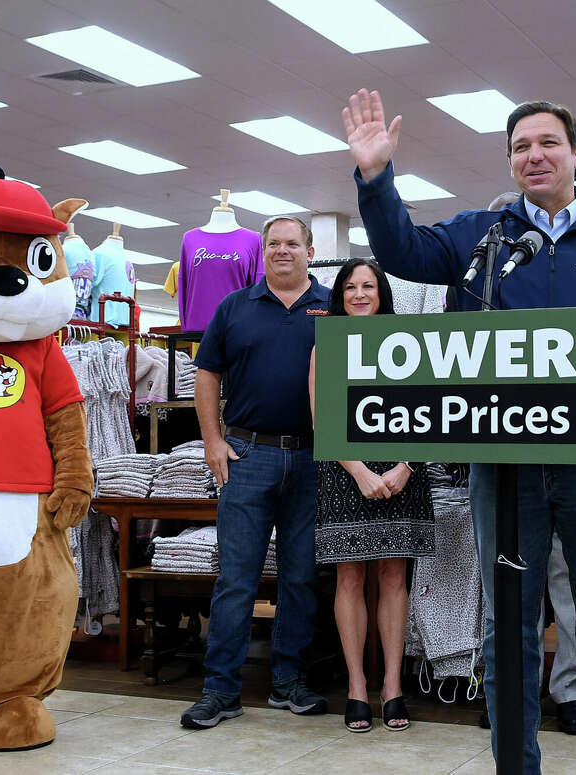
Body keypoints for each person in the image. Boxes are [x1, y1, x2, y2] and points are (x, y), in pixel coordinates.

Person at [343, 88, 576, 775]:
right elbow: (403, 251)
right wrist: (376, 177)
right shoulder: (484, 234)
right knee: (509, 625)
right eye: (519, 147)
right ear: (509, 163)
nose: (533, 156)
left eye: (547, 143)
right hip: (503, 455)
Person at [180, 215, 330, 730]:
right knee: (236, 578)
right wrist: (212, 441)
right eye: (274, 244)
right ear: (262, 251)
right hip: (247, 455)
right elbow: (206, 373)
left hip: (315, 459)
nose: (282, 251)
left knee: (301, 578)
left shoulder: (333, 307)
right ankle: (220, 690)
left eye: (293, 243)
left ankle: (289, 682)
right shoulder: (235, 307)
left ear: (310, 250)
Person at [308, 257, 436, 733]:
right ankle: (357, 686)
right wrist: (359, 471)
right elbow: (323, 418)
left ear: (382, 292)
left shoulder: (410, 341)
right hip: (345, 471)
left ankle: (393, 687)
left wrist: (406, 466)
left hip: (403, 470)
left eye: (368, 286)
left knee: (393, 576)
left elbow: (429, 407)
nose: (359, 294)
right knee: (349, 578)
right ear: (338, 295)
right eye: (349, 287)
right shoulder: (328, 343)